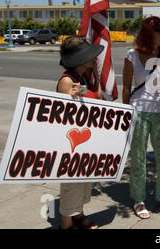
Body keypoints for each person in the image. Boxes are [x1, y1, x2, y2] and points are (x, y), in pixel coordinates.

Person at [122, 16, 160, 219]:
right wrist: (124, 113)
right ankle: (138, 198)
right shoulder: (132, 55)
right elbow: (126, 87)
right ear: (149, 34)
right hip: (138, 110)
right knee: (138, 157)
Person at [57, 35, 104, 229]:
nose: (93, 59)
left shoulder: (85, 77)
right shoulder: (67, 81)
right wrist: (71, 96)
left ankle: (79, 215)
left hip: (86, 138)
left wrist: (96, 74)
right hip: (71, 143)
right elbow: (61, 113)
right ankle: (66, 224)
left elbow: (99, 98)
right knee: (71, 185)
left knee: (84, 182)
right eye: (90, 57)